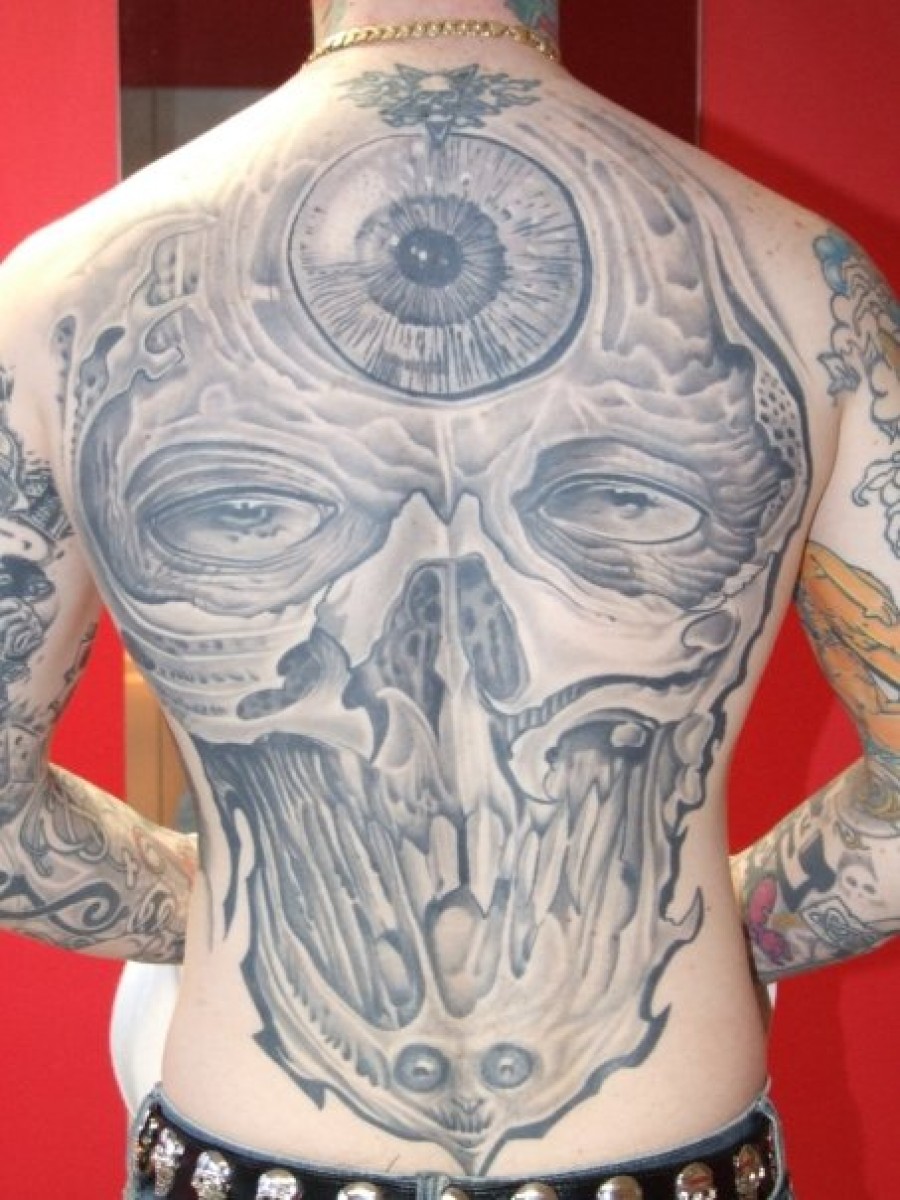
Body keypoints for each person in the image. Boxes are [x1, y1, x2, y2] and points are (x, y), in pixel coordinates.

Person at [1, 2, 898, 1196]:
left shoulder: (58, 293)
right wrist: (712, 911)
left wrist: (222, 895)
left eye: (617, 505)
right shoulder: (802, 281)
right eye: (251, 514)